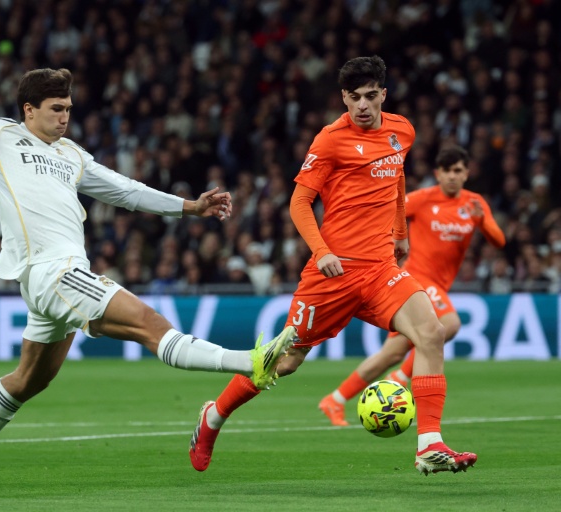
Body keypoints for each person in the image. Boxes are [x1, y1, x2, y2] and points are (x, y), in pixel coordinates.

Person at [0, 68, 296, 497]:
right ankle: (250, 360)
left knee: (30, 380)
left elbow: (126, 190)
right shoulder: (1, 136)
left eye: (69, 108)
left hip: (56, 278)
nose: (65, 116)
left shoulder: (73, 155)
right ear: (29, 109)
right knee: (148, 323)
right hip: (52, 271)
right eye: (56, 108)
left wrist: (189, 207)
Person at [188, 56, 477, 476]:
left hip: (379, 270)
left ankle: (429, 445)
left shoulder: (403, 131)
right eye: (354, 97)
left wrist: (399, 233)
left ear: (384, 94)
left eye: (370, 96)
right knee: (282, 364)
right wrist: (321, 251)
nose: (362, 105)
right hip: (333, 274)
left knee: (431, 332)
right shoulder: (329, 140)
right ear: (343, 97)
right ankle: (213, 416)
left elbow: (396, 180)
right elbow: (300, 202)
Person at [318, 145, 506, 426]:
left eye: (458, 171)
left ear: (466, 173)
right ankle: (401, 378)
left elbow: (499, 241)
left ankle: (335, 399)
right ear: (437, 174)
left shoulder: (474, 203)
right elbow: (392, 209)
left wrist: (482, 220)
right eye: (447, 171)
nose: (452, 176)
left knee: (391, 354)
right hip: (416, 278)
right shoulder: (422, 199)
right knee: (450, 324)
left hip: (438, 283)